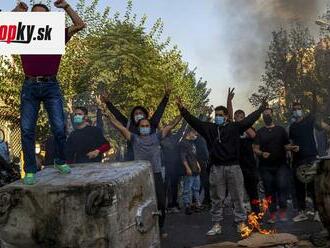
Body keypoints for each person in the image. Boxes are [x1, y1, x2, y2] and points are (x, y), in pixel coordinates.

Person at [13, 0, 86, 185]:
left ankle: (60, 160)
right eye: (34, 15)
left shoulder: (56, 35)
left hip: (51, 85)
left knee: (59, 127)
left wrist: (66, 7)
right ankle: (30, 170)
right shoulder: (24, 33)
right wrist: (17, 11)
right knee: (27, 129)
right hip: (30, 86)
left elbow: (80, 25)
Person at [176, 96, 267, 236]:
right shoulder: (210, 129)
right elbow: (194, 122)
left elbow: (250, 119)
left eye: (220, 115)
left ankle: (240, 222)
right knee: (217, 198)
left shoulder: (235, 127)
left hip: (234, 167)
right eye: (215, 115)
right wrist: (182, 110)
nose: (217, 117)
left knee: (238, 196)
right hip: (216, 168)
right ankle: (217, 224)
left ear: (226, 116)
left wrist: (261, 108)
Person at [104, 109, 181, 237]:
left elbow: (171, 125)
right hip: (140, 176)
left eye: (147, 126)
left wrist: (182, 112)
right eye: (142, 126)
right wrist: (109, 117)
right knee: (140, 203)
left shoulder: (156, 137)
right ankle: (140, 227)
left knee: (161, 202)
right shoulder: (134, 138)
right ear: (138, 128)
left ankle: (160, 227)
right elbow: (121, 128)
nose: (144, 128)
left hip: (155, 174)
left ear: (150, 127)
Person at [101, 84, 171, 161]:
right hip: (133, 160)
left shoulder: (151, 124)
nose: (138, 115)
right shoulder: (128, 124)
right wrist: (107, 103)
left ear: (145, 115)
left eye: (140, 113)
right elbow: (117, 114)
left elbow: (159, 111)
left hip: (150, 161)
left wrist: (166, 96)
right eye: (136, 114)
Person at [254, 108, 298, 223]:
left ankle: (283, 212)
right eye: (265, 115)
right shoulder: (260, 132)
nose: (267, 116)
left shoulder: (280, 130)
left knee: (282, 186)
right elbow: (255, 149)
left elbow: (286, 145)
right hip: (265, 167)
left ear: (272, 115)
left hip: (281, 165)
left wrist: (292, 148)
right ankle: (272, 214)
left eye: (268, 114)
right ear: (263, 117)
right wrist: (262, 153)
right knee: (269, 190)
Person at [289, 102, 320, 222]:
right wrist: (292, 148)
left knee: (313, 186)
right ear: (292, 112)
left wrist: (313, 97)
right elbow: (291, 142)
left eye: (298, 109)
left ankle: (318, 212)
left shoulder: (308, 121)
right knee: (299, 187)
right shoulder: (292, 127)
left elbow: (315, 109)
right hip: (297, 159)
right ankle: (302, 212)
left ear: (302, 110)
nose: (297, 111)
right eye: (294, 109)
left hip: (310, 157)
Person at [234, 109, 260, 213]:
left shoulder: (250, 128)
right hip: (236, 165)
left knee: (253, 191)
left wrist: (244, 124)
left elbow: (253, 135)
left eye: (242, 117)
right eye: (237, 116)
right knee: (237, 192)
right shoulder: (233, 128)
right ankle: (240, 215)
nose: (239, 118)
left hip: (249, 165)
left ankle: (256, 213)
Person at [161, 121, 187, 213]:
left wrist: (185, 120)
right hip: (168, 167)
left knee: (171, 187)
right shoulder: (161, 139)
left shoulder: (163, 139)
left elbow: (182, 130)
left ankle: (171, 204)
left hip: (171, 167)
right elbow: (182, 130)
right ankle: (171, 205)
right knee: (170, 187)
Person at [179, 128, 202, 215]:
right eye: (195, 133)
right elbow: (183, 157)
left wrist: (198, 165)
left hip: (195, 169)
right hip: (189, 170)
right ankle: (187, 206)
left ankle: (197, 204)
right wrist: (187, 168)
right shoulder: (183, 143)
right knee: (187, 189)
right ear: (189, 133)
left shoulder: (192, 143)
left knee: (196, 188)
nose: (196, 135)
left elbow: (194, 156)